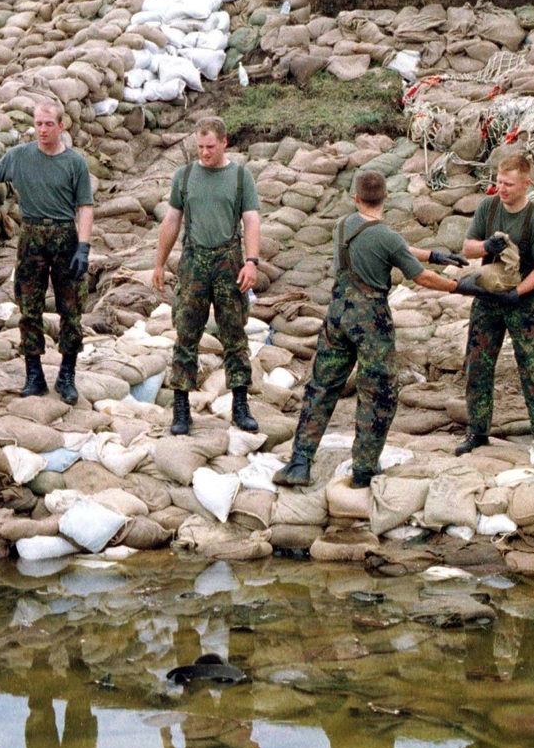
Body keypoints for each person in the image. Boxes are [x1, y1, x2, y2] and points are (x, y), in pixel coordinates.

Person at [272, 169, 466, 488]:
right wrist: (457, 286)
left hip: (337, 315)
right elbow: (421, 277)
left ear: (356, 198)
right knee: (378, 392)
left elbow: (394, 248)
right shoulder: (387, 236)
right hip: (371, 320)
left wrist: (432, 254)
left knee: (321, 387)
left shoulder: (344, 225)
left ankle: (299, 462)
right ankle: (363, 469)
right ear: (386, 196)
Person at [0, 102, 93, 405]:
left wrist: (83, 246)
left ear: (61, 126)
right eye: (38, 124)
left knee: (71, 310)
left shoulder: (74, 163)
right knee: (29, 308)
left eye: (48, 124)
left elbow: (85, 207)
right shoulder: (18, 156)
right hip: (31, 237)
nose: (42, 130)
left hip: (64, 236)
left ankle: (67, 375)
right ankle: (34, 375)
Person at [153, 116, 263, 436]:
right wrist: (159, 264)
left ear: (224, 142)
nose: (204, 153)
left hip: (229, 261)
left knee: (234, 334)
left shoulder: (241, 177)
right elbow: (171, 221)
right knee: (186, 333)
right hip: (193, 262)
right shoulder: (184, 176)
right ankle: (181, 408)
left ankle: (240, 404)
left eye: (210, 147)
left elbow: (251, 220)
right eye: (200, 147)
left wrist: (252, 262)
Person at [454, 153, 534, 459]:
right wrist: (487, 247)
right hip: (489, 299)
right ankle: (477, 430)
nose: (502, 189)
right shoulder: (488, 208)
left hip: (525, 302)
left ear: (526, 184)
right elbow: (467, 247)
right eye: (499, 182)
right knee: (477, 363)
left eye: (509, 184)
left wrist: (517, 294)